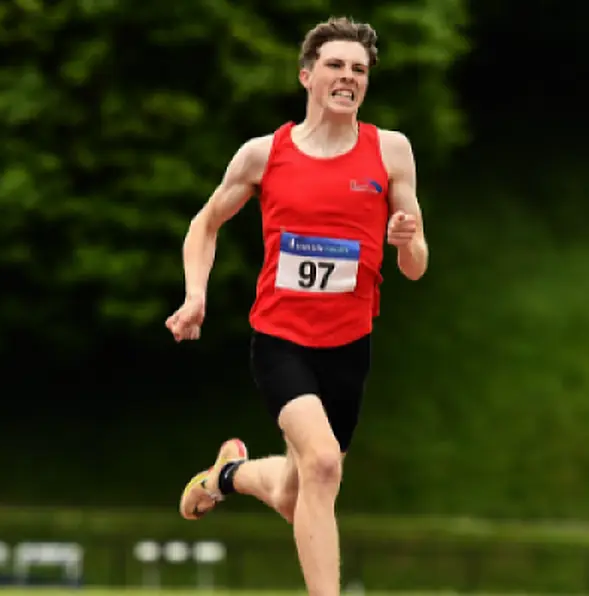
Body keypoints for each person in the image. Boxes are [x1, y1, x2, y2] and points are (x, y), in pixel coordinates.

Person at [165, 15, 428, 596]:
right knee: (325, 465)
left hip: (349, 347)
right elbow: (203, 225)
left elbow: (415, 266)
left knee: (296, 490)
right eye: (335, 65)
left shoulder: (391, 151)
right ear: (307, 75)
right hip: (282, 340)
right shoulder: (264, 155)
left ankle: (225, 475)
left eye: (358, 69)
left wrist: (408, 240)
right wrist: (195, 296)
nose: (348, 76)